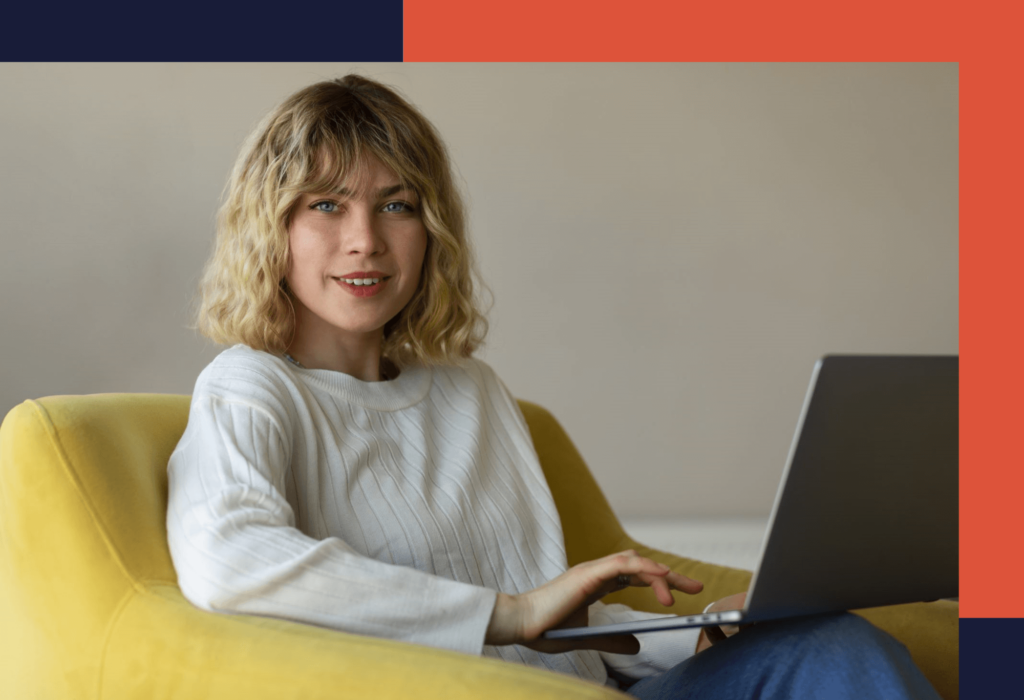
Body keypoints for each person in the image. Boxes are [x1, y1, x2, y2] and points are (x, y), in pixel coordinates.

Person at [166, 74, 941, 698]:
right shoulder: (250, 388)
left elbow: (557, 640)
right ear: (271, 227)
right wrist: (508, 614)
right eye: (326, 205)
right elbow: (229, 560)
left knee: (829, 644)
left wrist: (699, 636)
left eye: (396, 204)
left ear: (430, 229)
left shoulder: (473, 394)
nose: (364, 239)